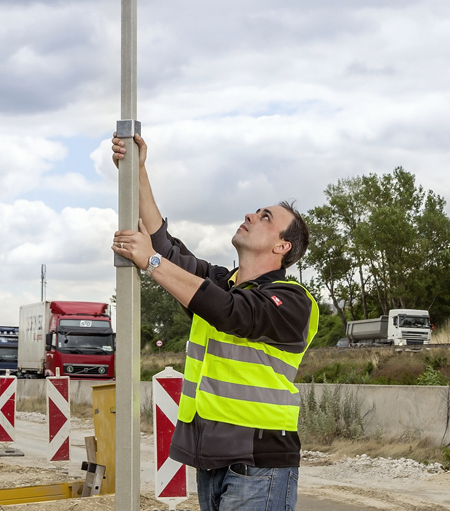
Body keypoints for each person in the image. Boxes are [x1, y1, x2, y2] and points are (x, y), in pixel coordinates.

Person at [111, 132, 318, 511]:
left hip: (260, 463)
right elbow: (167, 249)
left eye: (265, 217)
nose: (250, 215)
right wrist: (138, 171)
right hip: (212, 459)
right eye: (256, 210)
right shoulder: (224, 284)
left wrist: (152, 264)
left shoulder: (293, 301)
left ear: (282, 246)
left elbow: (230, 312)